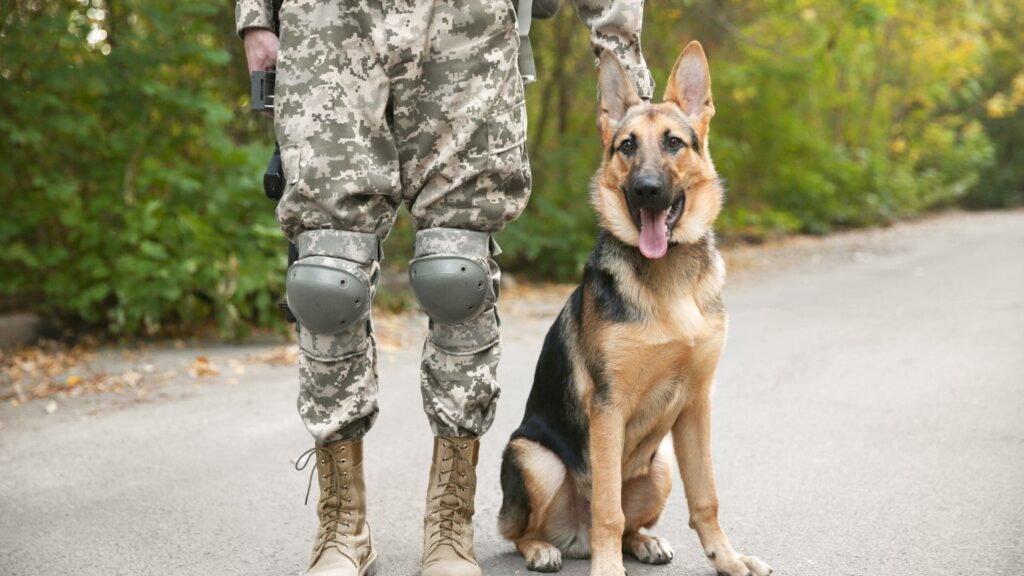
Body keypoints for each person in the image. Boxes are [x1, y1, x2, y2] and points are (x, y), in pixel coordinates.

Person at [236, 1, 653, 574]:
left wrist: (619, 44)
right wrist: (256, 15)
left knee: (457, 275)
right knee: (325, 284)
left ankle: (450, 526)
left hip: (467, 26)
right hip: (331, 22)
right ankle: (341, 528)